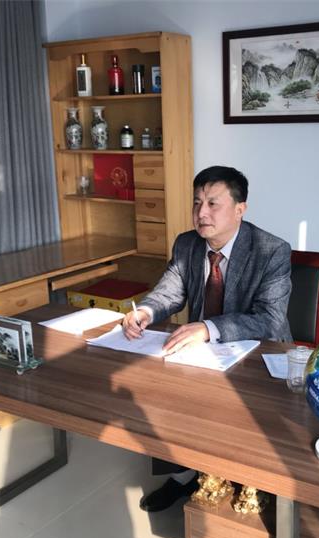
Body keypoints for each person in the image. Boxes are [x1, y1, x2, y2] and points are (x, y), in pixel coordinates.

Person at [122, 165, 292, 512]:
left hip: (256, 357)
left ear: (240, 209)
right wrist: (146, 312)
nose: (202, 213)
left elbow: (271, 321)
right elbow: (169, 292)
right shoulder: (187, 244)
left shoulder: (271, 250)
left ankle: (248, 479)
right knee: (160, 390)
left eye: (213, 203)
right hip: (202, 355)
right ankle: (183, 475)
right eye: (197, 202)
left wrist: (208, 328)